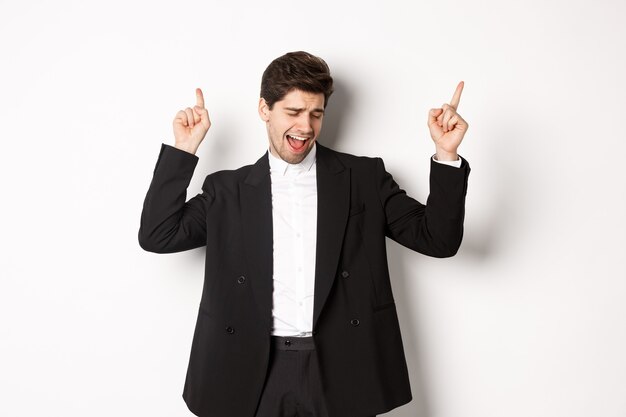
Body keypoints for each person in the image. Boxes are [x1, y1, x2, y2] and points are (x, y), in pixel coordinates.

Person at [139, 51, 470, 417]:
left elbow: (438, 240)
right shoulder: (226, 191)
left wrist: (446, 155)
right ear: (265, 109)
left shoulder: (363, 178)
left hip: (342, 366)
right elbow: (158, 234)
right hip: (250, 369)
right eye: (293, 113)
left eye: (316, 113)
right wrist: (183, 150)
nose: (306, 127)